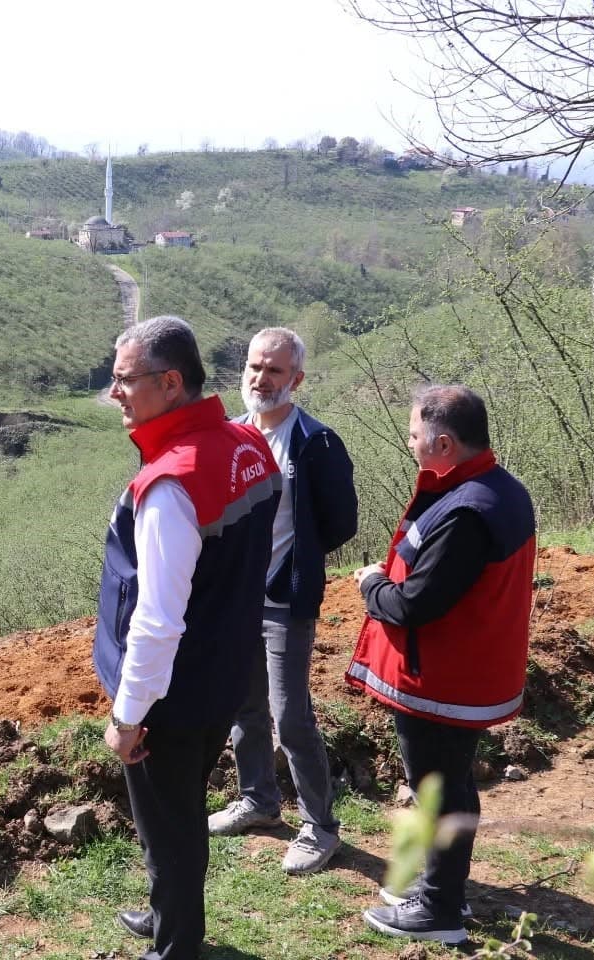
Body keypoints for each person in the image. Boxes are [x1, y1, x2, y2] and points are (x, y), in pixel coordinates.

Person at [94, 315, 280, 960]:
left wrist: (129, 712)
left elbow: (157, 617)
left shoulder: (171, 483)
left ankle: (175, 947)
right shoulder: (249, 447)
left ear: (170, 383)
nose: (114, 392)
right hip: (227, 669)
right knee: (179, 811)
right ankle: (164, 913)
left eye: (124, 380)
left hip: (172, 693)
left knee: (169, 825)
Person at [348, 385, 535, 945]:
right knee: (449, 783)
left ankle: (439, 911)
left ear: (444, 442)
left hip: (443, 682)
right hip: (466, 673)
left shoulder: (466, 512)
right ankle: (439, 888)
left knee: (439, 789)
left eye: (412, 433)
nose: (408, 443)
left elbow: (415, 605)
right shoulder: (497, 489)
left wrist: (372, 585)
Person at [208, 328, 358, 875]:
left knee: (291, 716)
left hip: (283, 599)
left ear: (296, 379)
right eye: (254, 367)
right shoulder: (229, 435)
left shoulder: (315, 442)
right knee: (244, 705)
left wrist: (298, 557)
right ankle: (259, 801)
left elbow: (341, 521)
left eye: (274, 370)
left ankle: (320, 827)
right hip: (235, 596)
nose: (260, 379)